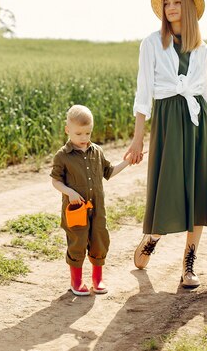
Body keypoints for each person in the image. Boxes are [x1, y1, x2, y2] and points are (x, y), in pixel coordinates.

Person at [124, 0, 207, 288]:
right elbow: (144, 93)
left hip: (199, 124)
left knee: (198, 194)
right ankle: (153, 235)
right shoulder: (152, 43)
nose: (170, 8)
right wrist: (138, 137)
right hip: (168, 121)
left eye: (176, 2)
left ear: (188, 7)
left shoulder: (202, 49)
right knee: (167, 188)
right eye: (166, 3)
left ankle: (189, 263)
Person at [51, 105, 132, 296]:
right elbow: (55, 181)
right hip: (76, 209)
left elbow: (109, 172)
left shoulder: (97, 151)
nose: (84, 138)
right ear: (67, 130)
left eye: (88, 133)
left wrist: (128, 161)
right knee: (77, 241)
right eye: (79, 133)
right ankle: (76, 281)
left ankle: (97, 279)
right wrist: (69, 192)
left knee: (99, 238)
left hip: (97, 208)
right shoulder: (63, 156)